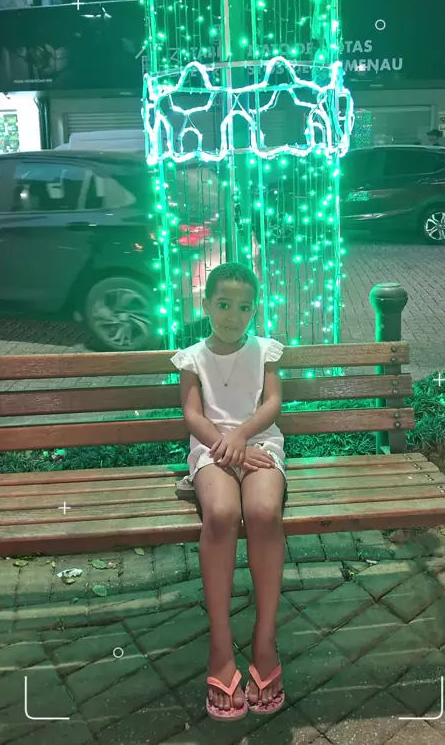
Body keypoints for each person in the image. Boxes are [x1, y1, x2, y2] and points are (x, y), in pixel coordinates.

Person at [171, 262, 286, 722]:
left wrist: (241, 439)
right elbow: (192, 415)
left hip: (259, 445)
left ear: (254, 310)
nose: (233, 315)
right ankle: (220, 646)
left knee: (262, 511)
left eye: (244, 307)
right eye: (223, 304)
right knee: (220, 513)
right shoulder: (192, 358)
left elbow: (272, 403)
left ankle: (264, 640)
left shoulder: (265, 351)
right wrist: (226, 446)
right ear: (206, 305)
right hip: (212, 451)